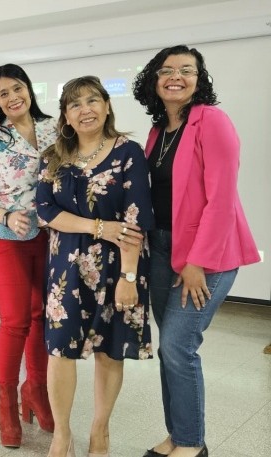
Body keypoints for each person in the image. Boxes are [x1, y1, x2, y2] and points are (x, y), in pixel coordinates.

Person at [133, 45, 260, 457]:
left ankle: (191, 443)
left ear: (198, 79)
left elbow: (221, 200)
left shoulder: (213, 121)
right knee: (170, 350)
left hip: (209, 254)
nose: (177, 76)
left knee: (177, 346)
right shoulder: (158, 131)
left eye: (187, 70)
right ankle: (177, 435)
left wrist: (196, 263)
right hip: (162, 249)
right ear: (154, 79)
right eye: (167, 70)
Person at [36, 75, 154, 457]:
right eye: (75, 104)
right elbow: (45, 209)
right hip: (65, 271)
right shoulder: (52, 156)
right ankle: (61, 435)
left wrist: (129, 277)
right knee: (59, 351)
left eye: (92, 100)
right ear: (66, 117)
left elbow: (135, 218)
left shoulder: (129, 151)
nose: (85, 109)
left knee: (110, 349)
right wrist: (98, 227)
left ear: (106, 105)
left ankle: (100, 431)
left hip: (119, 267)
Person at [0, 63, 56, 448]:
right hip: (6, 238)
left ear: (29, 89)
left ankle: (36, 389)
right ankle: (7, 404)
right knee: (18, 319)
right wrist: (5, 214)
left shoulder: (56, 128)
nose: (12, 97)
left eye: (17, 88)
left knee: (43, 318)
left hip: (53, 237)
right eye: (3, 93)